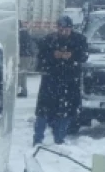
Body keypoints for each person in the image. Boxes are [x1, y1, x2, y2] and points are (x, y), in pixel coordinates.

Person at [34, 16, 88, 145]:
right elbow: (40, 60)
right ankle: (38, 139)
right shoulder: (48, 40)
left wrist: (72, 56)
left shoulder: (79, 40)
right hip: (50, 81)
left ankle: (60, 138)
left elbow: (84, 56)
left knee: (67, 111)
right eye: (61, 29)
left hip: (70, 81)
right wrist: (53, 56)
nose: (63, 32)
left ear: (71, 29)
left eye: (66, 29)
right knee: (43, 111)